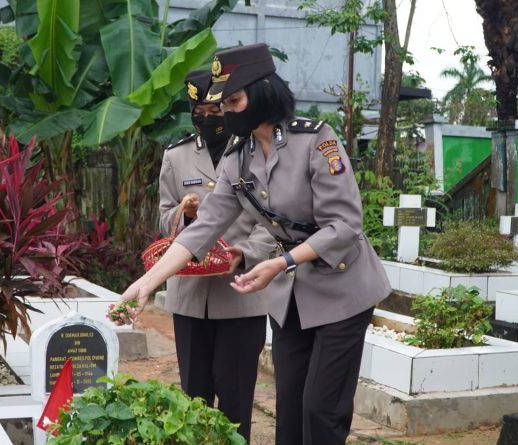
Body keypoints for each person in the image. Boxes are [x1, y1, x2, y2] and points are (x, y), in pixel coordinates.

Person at [116, 43, 391, 445]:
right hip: (291, 298)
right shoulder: (238, 156)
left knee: (320, 409)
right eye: (223, 103)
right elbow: (203, 227)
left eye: (233, 101)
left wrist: (280, 263)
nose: (225, 112)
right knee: (290, 411)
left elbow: (345, 225)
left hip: (343, 288)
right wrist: (146, 283)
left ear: (262, 91)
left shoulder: (315, 140)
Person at [154, 69, 275, 441]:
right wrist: (183, 214)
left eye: (215, 111)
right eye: (199, 113)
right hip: (191, 297)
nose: (207, 119)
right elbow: (163, 218)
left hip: (241, 292)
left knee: (236, 394)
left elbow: (273, 218)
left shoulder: (256, 150)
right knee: (194, 395)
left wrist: (245, 253)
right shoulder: (176, 156)